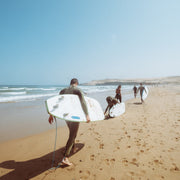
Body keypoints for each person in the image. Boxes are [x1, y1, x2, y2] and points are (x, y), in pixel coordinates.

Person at [48, 78, 90, 166]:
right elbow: (83, 102)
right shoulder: (78, 90)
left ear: (70, 83)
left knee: (72, 132)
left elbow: (57, 103)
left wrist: (51, 115)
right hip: (74, 116)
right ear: (77, 83)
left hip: (66, 116)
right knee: (73, 135)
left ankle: (73, 147)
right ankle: (65, 158)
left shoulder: (63, 91)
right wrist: (86, 115)